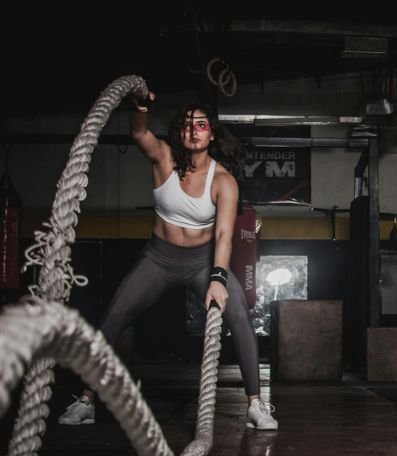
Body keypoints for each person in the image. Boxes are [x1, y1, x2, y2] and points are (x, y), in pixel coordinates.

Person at [58, 91, 278, 430]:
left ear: (212, 134)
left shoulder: (223, 181)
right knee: (114, 316)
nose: (194, 130)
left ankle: (255, 405)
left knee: (240, 316)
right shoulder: (163, 159)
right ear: (180, 133)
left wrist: (218, 278)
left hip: (203, 262)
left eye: (201, 125)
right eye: (187, 125)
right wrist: (141, 106)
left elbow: (223, 235)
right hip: (158, 259)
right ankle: (86, 400)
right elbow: (138, 133)